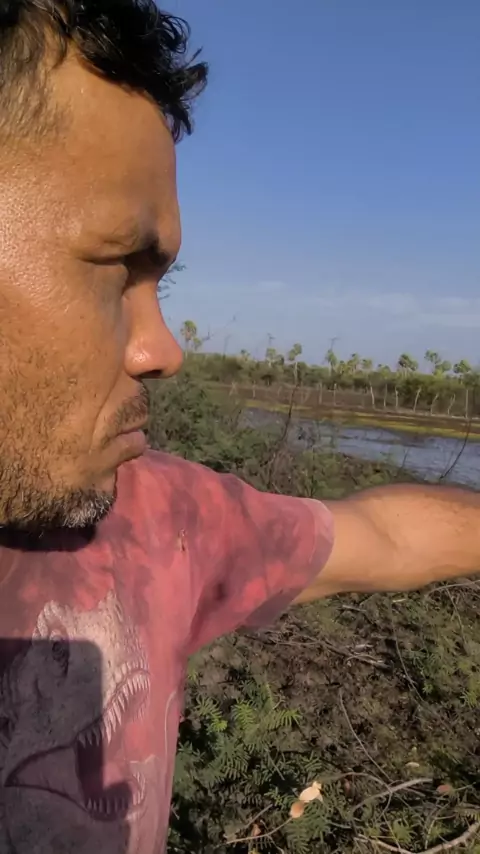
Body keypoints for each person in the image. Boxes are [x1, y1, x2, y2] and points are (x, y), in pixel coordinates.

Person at [0, 2, 478, 852]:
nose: (163, 351)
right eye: (115, 265)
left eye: (161, 285)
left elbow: (385, 537)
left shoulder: (153, 522)